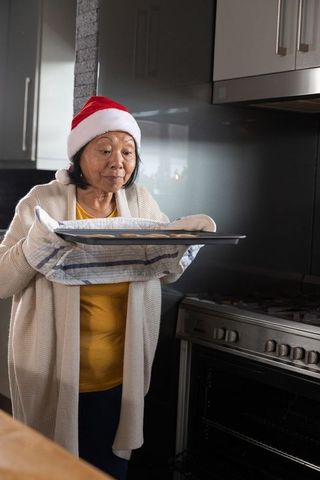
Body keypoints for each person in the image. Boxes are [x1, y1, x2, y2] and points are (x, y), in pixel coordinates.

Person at [0, 96, 214, 480]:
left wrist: (185, 239)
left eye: (128, 151)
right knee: (50, 471)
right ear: (79, 155)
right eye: (104, 149)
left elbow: (165, 272)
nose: (118, 161)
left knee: (108, 470)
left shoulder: (141, 203)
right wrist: (38, 242)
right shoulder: (42, 201)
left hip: (120, 374)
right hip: (52, 374)